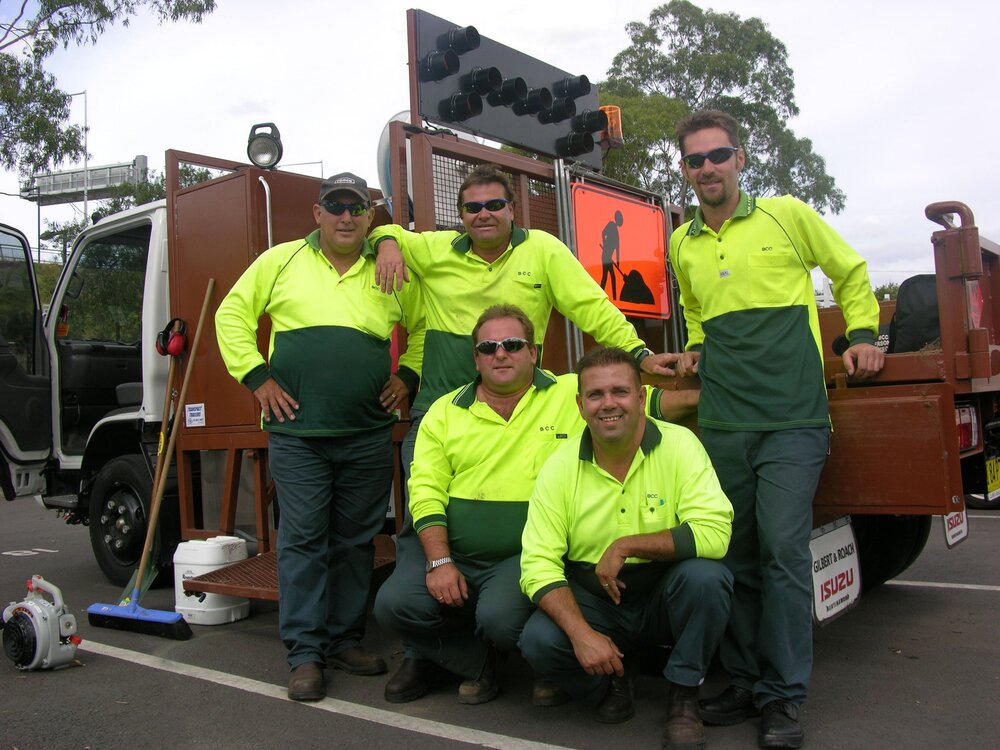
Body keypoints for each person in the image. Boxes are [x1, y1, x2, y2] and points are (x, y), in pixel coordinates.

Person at [368, 163, 678, 693]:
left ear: (514, 209)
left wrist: (640, 354)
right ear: (460, 216)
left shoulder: (544, 252)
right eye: (473, 208)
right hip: (443, 414)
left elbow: (592, 308)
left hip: (520, 410)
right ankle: (433, 653)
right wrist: (387, 240)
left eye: (495, 205)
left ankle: (512, 645)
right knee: (423, 531)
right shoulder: (436, 249)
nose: (484, 214)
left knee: (536, 528)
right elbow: (386, 229)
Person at [667, 109, 885, 749]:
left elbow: (850, 270)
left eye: (718, 156)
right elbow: (694, 309)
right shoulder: (683, 243)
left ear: (741, 159)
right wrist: (698, 347)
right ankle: (745, 681)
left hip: (793, 420)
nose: (707, 168)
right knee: (731, 554)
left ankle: (784, 698)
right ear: (685, 170)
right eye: (695, 160)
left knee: (784, 554)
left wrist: (865, 335)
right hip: (724, 422)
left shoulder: (787, 215)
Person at [373, 305, 698, 705]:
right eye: (488, 347)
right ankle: (474, 661)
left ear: (534, 352)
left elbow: (647, 408)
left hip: (525, 553)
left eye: (512, 344)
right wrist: (440, 561)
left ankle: (536, 660)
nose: (500, 354)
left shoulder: (571, 393)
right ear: (475, 358)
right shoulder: (443, 411)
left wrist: (710, 396)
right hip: (454, 550)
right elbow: (424, 492)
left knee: (501, 619)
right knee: (393, 605)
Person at [215, 172, 424, 702]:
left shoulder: (390, 267)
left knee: (355, 543)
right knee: (304, 541)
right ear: (317, 213)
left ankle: (344, 642)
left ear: (370, 216)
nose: (346, 216)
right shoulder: (279, 260)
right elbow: (232, 315)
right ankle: (305, 654)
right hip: (298, 434)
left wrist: (409, 375)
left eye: (357, 207)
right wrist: (257, 377)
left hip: (368, 434)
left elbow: (424, 325)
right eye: (336, 205)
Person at [518, 346, 734, 750]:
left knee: (708, 579)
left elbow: (716, 533)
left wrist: (627, 545)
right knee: (538, 641)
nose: (608, 404)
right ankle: (613, 679)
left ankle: (684, 694)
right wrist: (582, 635)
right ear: (580, 405)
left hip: (662, 591)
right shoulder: (560, 465)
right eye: (596, 395)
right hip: (597, 598)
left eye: (620, 391)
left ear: (640, 397)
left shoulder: (680, 444)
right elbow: (537, 564)